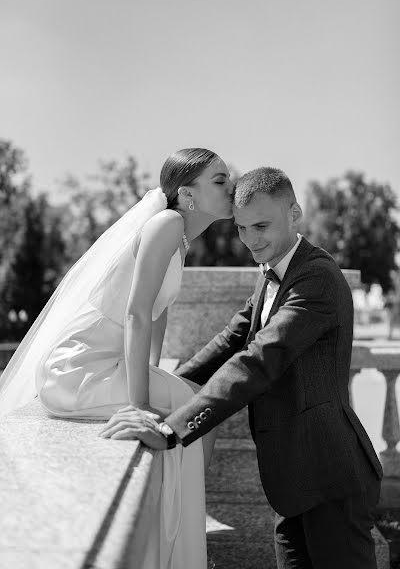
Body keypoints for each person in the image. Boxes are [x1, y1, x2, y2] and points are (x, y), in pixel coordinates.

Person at [102, 167, 383, 569]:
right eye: (242, 228)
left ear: (294, 212)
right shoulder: (270, 272)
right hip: (291, 483)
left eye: (262, 226)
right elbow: (232, 339)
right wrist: (168, 385)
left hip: (330, 480)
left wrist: (171, 428)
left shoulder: (316, 277)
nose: (251, 240)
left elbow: (258, 361)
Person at [0, 147, 234, 569]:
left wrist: (150, 375)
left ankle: (180, 541)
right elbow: (136, 313)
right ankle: (180, 548)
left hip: (109, 365)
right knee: (197, 415)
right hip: (78, 369)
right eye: (219, 180)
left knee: (198, 413)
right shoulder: (166, 223)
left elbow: (158, 317)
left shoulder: (179, 238)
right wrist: (140, 406)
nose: (231, 186)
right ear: (187, 193)